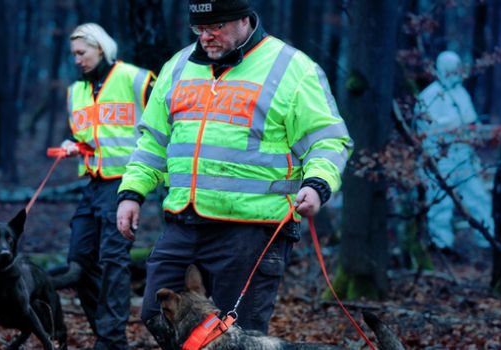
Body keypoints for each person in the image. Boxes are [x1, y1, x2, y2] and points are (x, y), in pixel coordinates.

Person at [114, 1, 352, 348]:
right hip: (185, 220)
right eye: (199, 28)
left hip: (252, 229)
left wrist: (318, 185)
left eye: (216, 27)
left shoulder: (291, 68)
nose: (206, 37)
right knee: (156, 313)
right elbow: (153, 140)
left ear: (244, 19)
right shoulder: (178, 66)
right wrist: (132, 192)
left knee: (240, 337)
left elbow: (329, 140)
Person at [59, 23, 155, 350]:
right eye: (73, 54)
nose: (77, 60)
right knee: (78, 262)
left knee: (114, 261)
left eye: (81, 53)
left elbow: (162, 124)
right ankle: (107, 335)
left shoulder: (135, 78)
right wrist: (72, 144)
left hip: (125, 184)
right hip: (92, 185)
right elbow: (86, 134)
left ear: (101, 48)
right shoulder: (76, 91)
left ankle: (111, 341)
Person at [415, 51, 492, 252]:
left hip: (464, 156)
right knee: (440, 203)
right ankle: (442, 244)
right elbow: (425, 129)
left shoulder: (461, 93)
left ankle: (487, 240)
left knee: (478, 197)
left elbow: (470, 121)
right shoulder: (430, 96)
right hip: (440, 159)